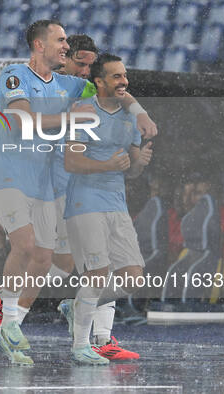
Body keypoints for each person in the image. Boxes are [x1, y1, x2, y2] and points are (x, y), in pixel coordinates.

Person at [0, 22, 156, 365]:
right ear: (49, 50)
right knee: (33, 250)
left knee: (70, 262)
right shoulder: (22, 77)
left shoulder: (78, 88)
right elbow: (22, 121)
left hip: (67, 188)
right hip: (36, 181)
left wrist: (138, 114)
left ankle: (94, 334)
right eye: (78, 61)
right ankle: (5, 312)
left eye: (90, 67)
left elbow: (117, 94)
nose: (85, 72)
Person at [63, 54, 152, 364]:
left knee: (133, 278)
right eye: (115, 76)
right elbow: (71, 161)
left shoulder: (131, 118)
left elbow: (131, 170)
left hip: (116, 203)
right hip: (84, 202)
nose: (123, 81)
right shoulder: (83, 112)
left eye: (124, 75)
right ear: (98, 82)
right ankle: (80, 347)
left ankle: (78, 306)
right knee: (98, 273)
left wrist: (138, 165)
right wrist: (107, 164)